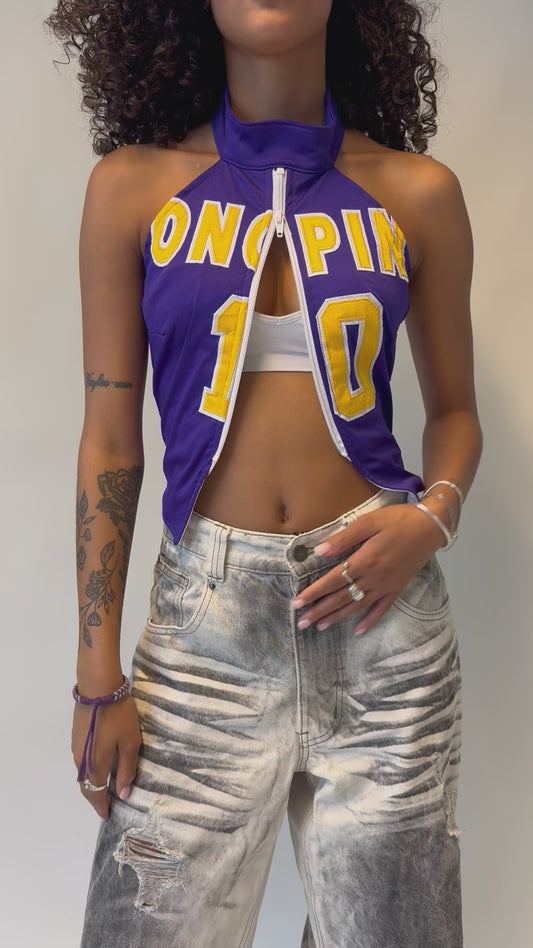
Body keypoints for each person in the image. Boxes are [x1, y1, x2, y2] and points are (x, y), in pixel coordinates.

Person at [46, 1, 482, 945]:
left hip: (383, 629)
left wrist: (431, 517)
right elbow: (110, 441)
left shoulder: (417, 191)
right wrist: (95, 676)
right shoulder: (130, 188)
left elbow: (454, 411)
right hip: (204, 638)